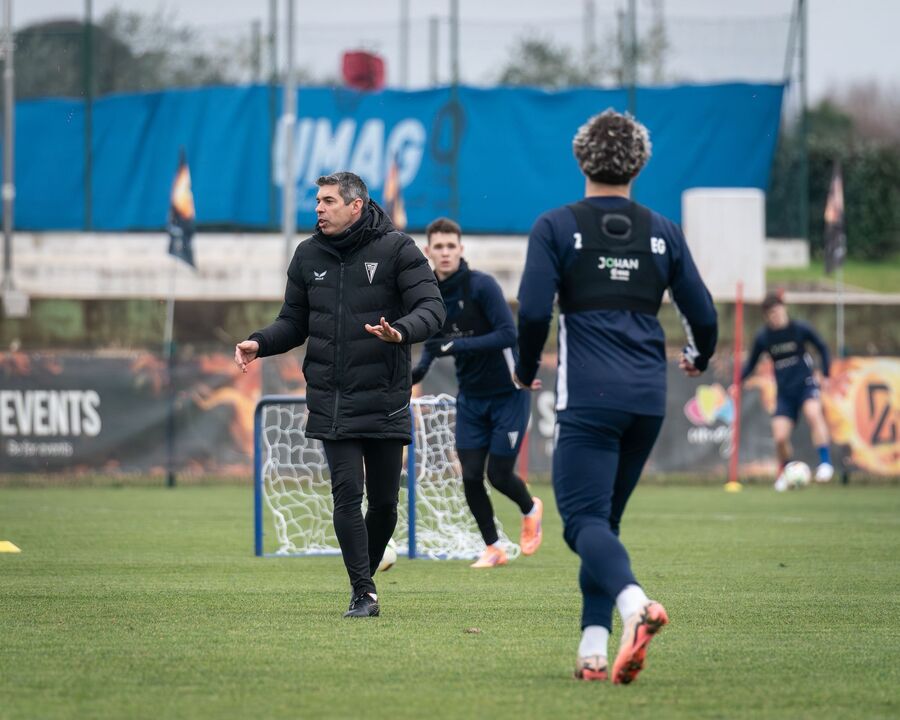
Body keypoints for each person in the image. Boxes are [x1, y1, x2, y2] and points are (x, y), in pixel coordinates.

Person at [514, 109, 718, 684]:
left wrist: (525, 368)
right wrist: (699, 358)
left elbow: (532, 310)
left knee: (580, 524)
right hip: (648, 399)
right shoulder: (662, 230)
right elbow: (703, 313)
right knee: (603, 526)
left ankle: (635, 608)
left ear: (581, 159)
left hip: (589, 397)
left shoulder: (555, 225)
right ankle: (593, 648)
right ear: (640, 162)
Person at [234, 172, 445, 618]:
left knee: (385, 505)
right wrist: (261, 342)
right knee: (347, 494)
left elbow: (433, 309)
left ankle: (362, 575)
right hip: (332, 398)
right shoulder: (308, 255)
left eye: (328, 201)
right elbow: (292, 323)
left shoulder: (398, 249)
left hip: (386, 398)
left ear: (356, 206)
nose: (318, 208)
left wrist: (400, 331)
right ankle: (363, 592)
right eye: (317, 201)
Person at [412, 217, 543, 569]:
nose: (445, 253)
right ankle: (493, 546)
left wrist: (457, 345)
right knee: (470, 475)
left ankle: (531, 509)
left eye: (450, 246)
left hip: (508, 393)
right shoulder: (431, 294)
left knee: (498, 474)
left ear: (460, 249)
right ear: (428, 251)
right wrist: (415, 373)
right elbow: (433, 344)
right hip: (471, 397)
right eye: (438, 247)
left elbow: (507, 335)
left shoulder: (481, 286)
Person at [739, 292, 834, 490]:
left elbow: (823, 347)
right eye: (771, 313)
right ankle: (785, 472)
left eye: (778, 311)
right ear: (766, 316)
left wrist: (825, 374)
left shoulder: (799, 329)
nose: (776, 315)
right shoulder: (764, 337)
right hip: (784, 393)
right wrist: (737, 381)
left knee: (813, 413)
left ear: (784, 309)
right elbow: (751, 364)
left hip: (806, 385)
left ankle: (825, 464)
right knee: (780, 437)